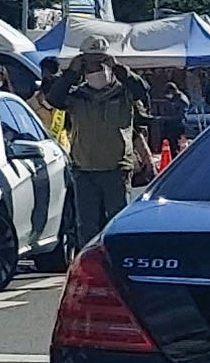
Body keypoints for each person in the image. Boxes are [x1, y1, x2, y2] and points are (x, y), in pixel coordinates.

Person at [43, 48, 146, 236]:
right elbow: (54, 99)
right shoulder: (77, 96)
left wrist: (119, 68)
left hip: (116, 169)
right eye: (90, 67)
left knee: (117, 224)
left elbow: (142, 90)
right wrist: (70, 74)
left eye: (100, 64)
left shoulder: (123, 93)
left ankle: (116, 262)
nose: (96, 71)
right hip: (84, 170)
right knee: (87, 226)